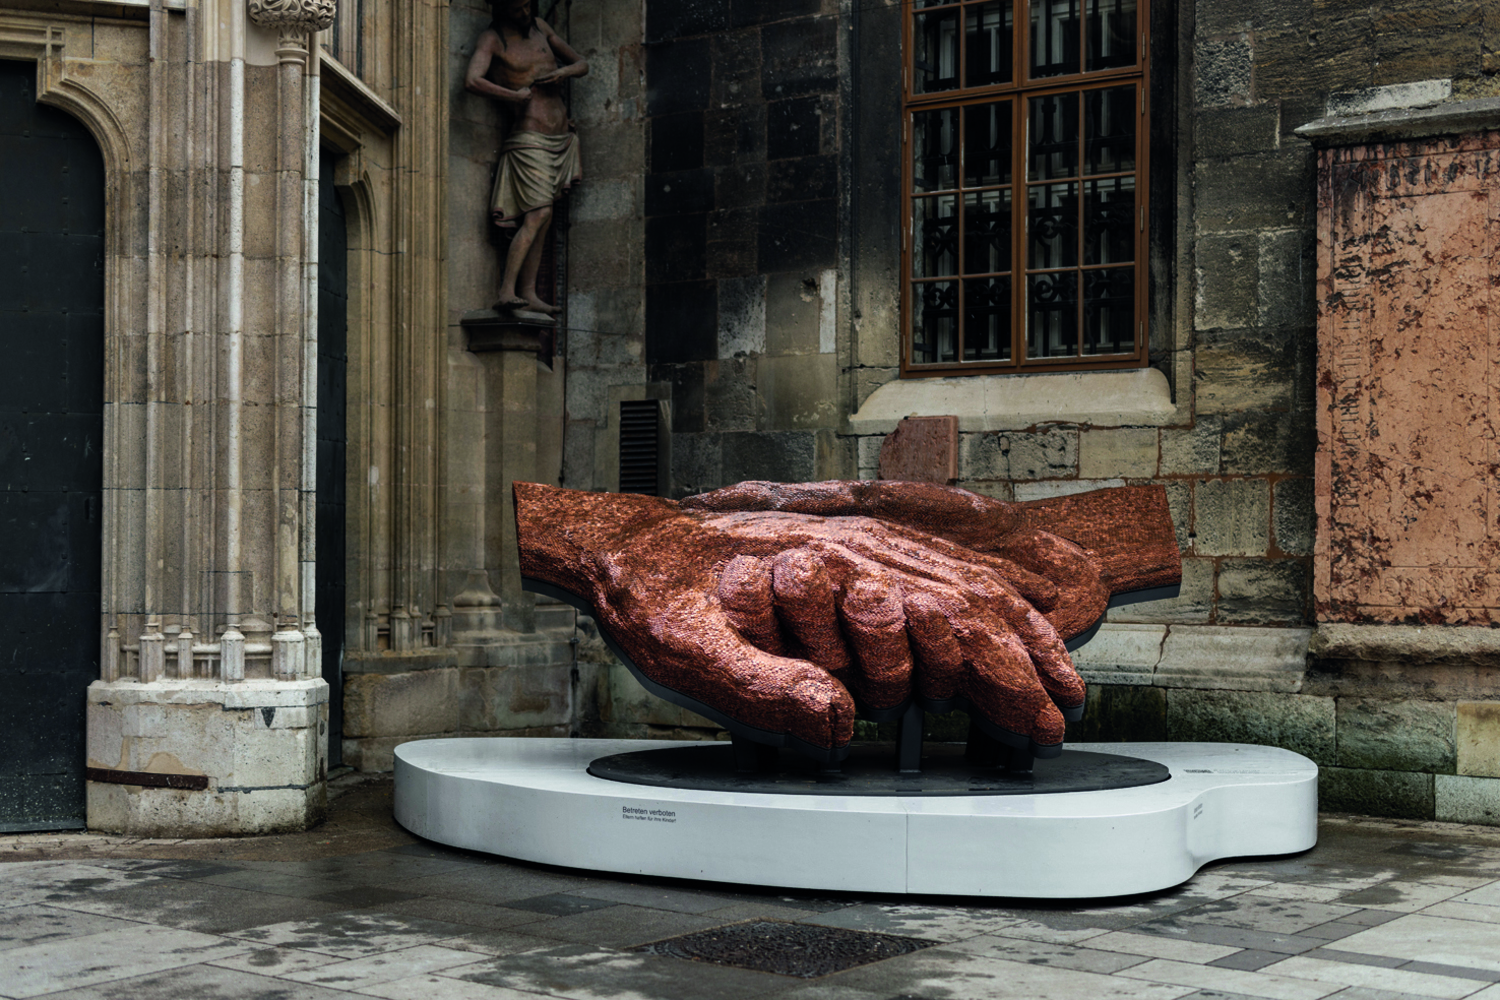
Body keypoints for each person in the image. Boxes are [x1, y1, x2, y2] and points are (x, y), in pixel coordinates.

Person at [465, 0, 587, 316]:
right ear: (501, 9)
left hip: (560, 138)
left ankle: (528, 291)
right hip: (528, 139)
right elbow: (473, 80)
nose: (524, 13)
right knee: (537, 214)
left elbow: (582, 63)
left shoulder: (541, 29)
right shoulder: (491, 39)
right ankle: (507, 290)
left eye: (527, 6)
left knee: (543, 219)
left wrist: (563, 73)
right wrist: (513, 95)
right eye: (516, 7)